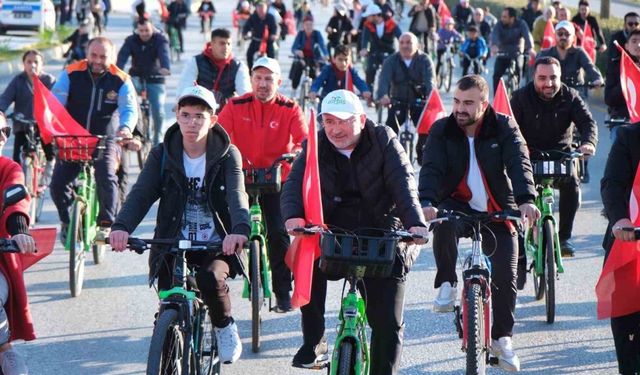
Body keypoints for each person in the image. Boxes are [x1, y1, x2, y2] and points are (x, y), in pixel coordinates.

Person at [282, 89, 429, 372]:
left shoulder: (383, 139)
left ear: (361, 119)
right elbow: (294, 185)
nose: (335, 129)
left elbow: (404, 183)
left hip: (382, 230)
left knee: (386, 320)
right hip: (333, 229)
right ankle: (314, 340)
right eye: (329, 121)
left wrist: (415, 223)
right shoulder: (316, 143)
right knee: (306, 257)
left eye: (344, 121)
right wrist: (292, 217)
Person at [109, 85, 249, 365]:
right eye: (185, 115)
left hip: (216, 242)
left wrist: (239, 230)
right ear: (176, 115)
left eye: (199, 116)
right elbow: (142, 193)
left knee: (210, 279)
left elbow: (236, 194)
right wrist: (121, 226)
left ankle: (223, 326)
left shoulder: (227, 154)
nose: (192, 122)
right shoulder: (163, 154)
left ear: (213, 120)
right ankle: (168, 352)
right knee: (168, 304)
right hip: (172, 242)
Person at [419, 75, 539, 373]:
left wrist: (525, 199)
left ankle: (502, 339)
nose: (460, 109)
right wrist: (426, 203)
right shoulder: (441, 129)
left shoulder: (504, 126)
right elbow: (431, 168)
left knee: (505, 275)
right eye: (457, 101)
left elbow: (519, 163)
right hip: (456, 203)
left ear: (484, 105)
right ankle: (447, 283)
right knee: (443, 223)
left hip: (497, 208)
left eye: (468, 103)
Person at [217, 57, 307, 312]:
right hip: (241, 178)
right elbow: (218, 135)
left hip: (278, 179)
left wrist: (299, 150)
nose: (263, 84)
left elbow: (303, 138)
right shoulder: (236, 105)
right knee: (225, 229)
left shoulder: (289, 108)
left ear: (278, 82)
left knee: (278, 233)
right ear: (251, 80)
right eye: (258, 78)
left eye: (269, 79)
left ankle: (282, 290)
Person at [50, 37, 138, 244]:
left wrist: (125, 129)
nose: (98, 60)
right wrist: (51, 122)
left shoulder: (121, 79)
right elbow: (55, 102)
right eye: (94, 55)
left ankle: (106, 224)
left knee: (107, 177)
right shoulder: (71, 73)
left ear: (112, 57)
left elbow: (129, 109)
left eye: (103, 56)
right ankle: (68, 220)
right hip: (74, 139)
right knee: (57, 184)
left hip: (106, 138)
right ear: (87, 54)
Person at [510, 56, 597, 258]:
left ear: (560, 77)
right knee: (512, 191)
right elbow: (507, 126)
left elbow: (588, 123)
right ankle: (518, 240)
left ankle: (565, 237)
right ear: (534, 77)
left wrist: (588, 143)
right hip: (528, 157)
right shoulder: (520, 97)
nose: (548, 83)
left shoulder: (571, 96)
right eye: (542, 78)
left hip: (561, 156)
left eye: (553, 78)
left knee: (572, 185)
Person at [600, 119, 640, 375]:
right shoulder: (629, 137)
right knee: (627, 315)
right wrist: (620, 219)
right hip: (631, 238)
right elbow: (611, 183)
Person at [0, 118, 39, 375]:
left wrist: (19, 231)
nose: (2, 137)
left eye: (4, 131)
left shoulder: (8, 167)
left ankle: (3, 349)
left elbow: (16, 197)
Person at [0, 50, 56, 179]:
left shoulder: (49, 80)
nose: (33, 65)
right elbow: (5, 98)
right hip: (22, 124)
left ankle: (50, 163)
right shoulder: (18, 81)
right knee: (16, 157)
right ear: (24, 64)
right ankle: (18, 182)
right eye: (29, 62)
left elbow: (58, 101)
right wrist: (1, 111)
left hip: (43, 124)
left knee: (47, 143)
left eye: (36, 62)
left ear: (42, 64)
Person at [116, 18, 171, 145]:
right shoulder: (131, 40)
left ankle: (158, 140)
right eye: (141, 30)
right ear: (137, 30)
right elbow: (122, 56)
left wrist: (165, 67)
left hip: (156, 78)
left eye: (147, 30)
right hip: (136, 77)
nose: (144, 33)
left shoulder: (160, 39)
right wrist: (118, 70)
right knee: (130, 102)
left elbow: (164, 54)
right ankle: (135, 132)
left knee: (158, 110)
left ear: (152, 28)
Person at [176, 28, 251, 112]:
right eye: (222, 43)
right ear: (212, 43)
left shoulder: (238, 66)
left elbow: (245, 94)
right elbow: (184, 88)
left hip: (227, 112)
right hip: (200, 112)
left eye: (229, 44)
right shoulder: (195, 62)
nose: (226, 47)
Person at [377, 32, 435, 134]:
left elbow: (430, 81)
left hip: (418, 101)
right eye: (402, 43)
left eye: (409, 43)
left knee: (427, 134)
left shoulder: (425, 60)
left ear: (417, 45)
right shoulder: (391, 60)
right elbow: (384, 80)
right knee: (388, 134)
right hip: (398, 100)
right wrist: (383, 95)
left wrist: (431, 98)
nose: (405, 46)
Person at [538, 21, 603, 91]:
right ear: (555, 35)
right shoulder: (544, 53)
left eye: (567, 34)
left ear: (573, 38)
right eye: (560, 34)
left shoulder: (579, 52)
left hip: (575, 93)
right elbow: (536, 73)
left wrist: (597, 78)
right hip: (551, 94)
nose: (563, 37)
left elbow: (589, 66)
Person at [490, 6, 535, 93]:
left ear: (512, 18)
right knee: (496, 74)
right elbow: (494, 35)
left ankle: (517, 93)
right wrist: (494, 46)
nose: (502, 18)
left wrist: (530, 48)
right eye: (502, 16)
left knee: (519, 71)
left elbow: (527, 36)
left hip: (517, 53)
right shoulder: (499, 24)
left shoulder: (521, 24)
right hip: (502, 53)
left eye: (505, 17)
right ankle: (497, 97)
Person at [359, 4, 402, 90]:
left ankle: (387, 94)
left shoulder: (391, 23)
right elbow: (365, 38)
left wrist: (403, 48)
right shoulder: (367, 24)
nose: (367, 18)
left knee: (388, 72)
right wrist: (364, 48)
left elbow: (400, 36)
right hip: (374, 51)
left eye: (369, 16)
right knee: (370, 70)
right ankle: (369, 93)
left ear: (375, 15)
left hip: (389, 51)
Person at [605, 29, 640, 121]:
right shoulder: (616, 66)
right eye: (634, 41)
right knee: (618, 134)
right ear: (626, 46)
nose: (638, 45)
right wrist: (628, 76)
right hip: (623, 119)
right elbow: (609, 99)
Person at [289, 16, 329, 92]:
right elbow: (293, 47)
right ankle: (293, 91)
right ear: (303, 25)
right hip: (302, 58)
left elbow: (322, 45)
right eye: (306, 24)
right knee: (297, 70)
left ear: (313, 25)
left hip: (314, 58)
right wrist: (297, 51)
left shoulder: (317, 34)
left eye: (310, 24)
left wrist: (326, 55)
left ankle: (313, 92)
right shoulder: (300, 34)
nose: (308, 27)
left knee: (314, 73)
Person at [242, 1, 279, 70]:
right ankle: (251, 71)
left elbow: (275, 28)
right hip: (256, 40)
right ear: (257, 10)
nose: (261, 12)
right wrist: (246, 34)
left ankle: (271, 70)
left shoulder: (270, 17)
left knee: (272, 56)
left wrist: (274, 35)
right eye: (259, 10)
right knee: (249, 54)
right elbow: (246, 27)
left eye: (262, 10)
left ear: (266, 9)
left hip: (268, 41)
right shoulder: (253, 17)